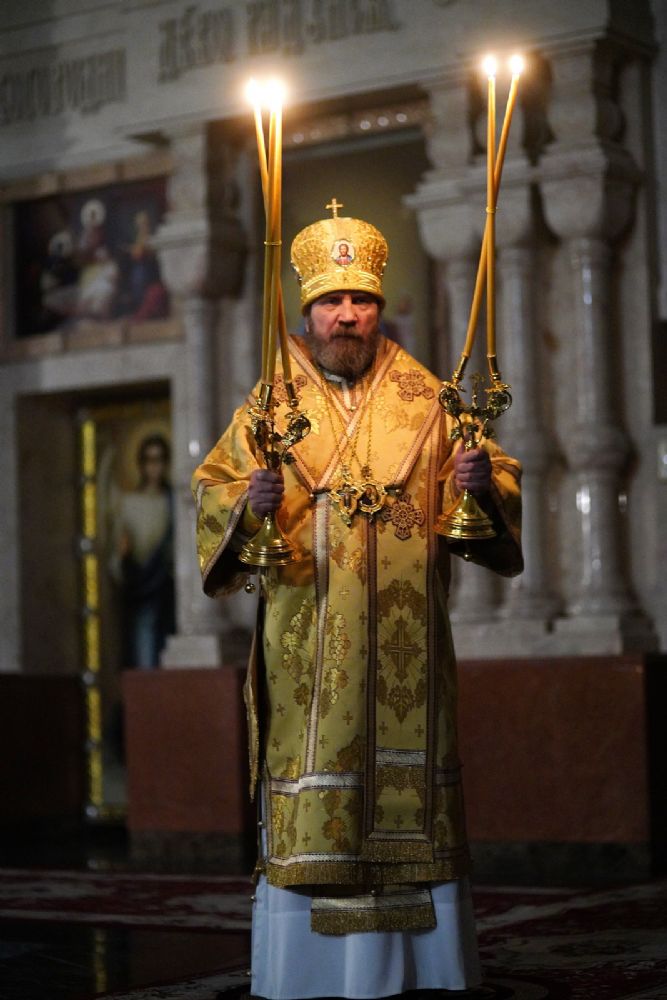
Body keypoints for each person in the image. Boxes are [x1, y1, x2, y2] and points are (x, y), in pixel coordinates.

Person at [192, 203, 523, 998]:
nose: (346, 314)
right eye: (331, 301)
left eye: (361, 300)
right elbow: (213, 490)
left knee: (413, 793)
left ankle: (423, 970)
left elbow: (493, 486)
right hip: (308, 653)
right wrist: (249, 505)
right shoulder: (270, 406)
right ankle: (306, 975)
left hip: (407, 657)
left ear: (378, 306)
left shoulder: (429, 398)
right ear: (306, 311)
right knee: (316, 787)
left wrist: (480, 484)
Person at [111, 433, 175, 669]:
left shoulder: (173, 502)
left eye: (160, 460)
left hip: (168, 590)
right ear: (141, 464)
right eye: (149, 460)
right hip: (141, 589)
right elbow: (117, 555)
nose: (154, 467)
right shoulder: (130, 503)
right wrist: (124, 559)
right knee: (144, 651)